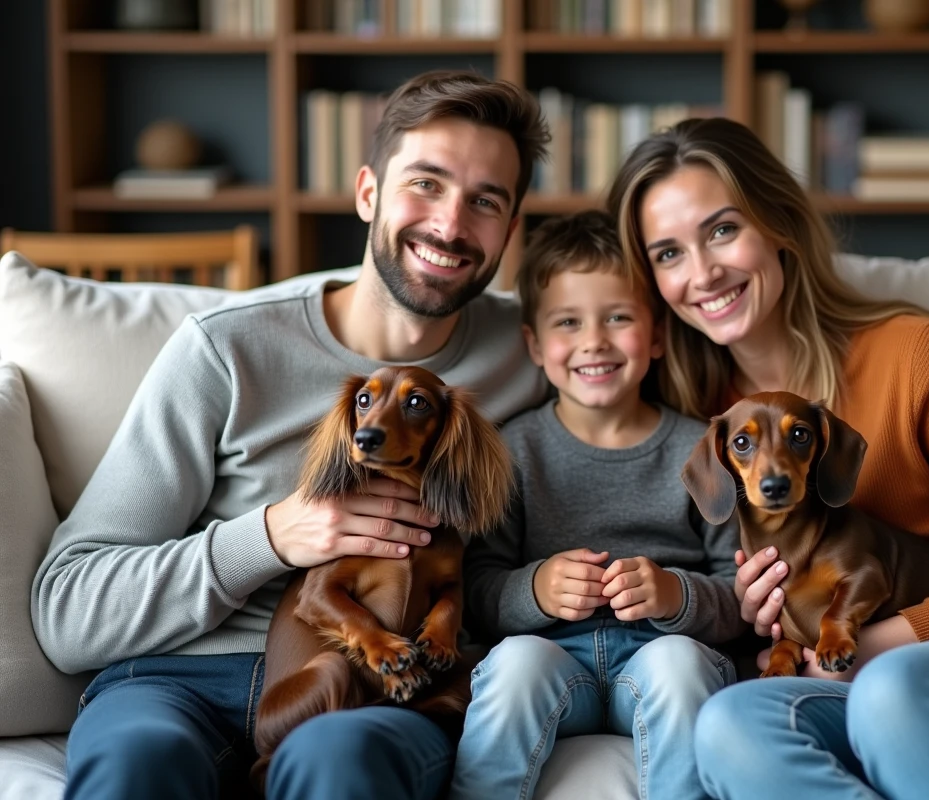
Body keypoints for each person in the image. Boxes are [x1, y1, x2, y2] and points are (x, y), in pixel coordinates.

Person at [31, 70, 550, 800]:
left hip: (377, 689)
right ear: (368, 191)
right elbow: (67, 609)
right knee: (135, 770)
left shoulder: (534, 351)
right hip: (178, 680)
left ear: (510, 227)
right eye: (426, 184)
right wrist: (272, 534)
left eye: (485, 201)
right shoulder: (225, 349)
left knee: (340, 766)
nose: (450, 224)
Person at [607, 117, 929, 800]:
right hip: (860, 686)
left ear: (778, 224)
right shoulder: (708, 422)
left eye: (721, 229)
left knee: (894, 688)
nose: (703, 272)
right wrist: (750, 607)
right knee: (728, 725)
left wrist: (869, 643)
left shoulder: (918, 355)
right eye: (668, 254)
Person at [447, 210, 745, 800]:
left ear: (656, 335)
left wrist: (674, 595)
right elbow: (475, 588)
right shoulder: (514, 451)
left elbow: (740, 590)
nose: (594, 341)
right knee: (516, 667)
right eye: (568, 322)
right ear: (534, 344)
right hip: (556, 664)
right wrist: (533, 589)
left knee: (679, 667)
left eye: (617, 318)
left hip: (662, 658)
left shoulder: (702, 450)